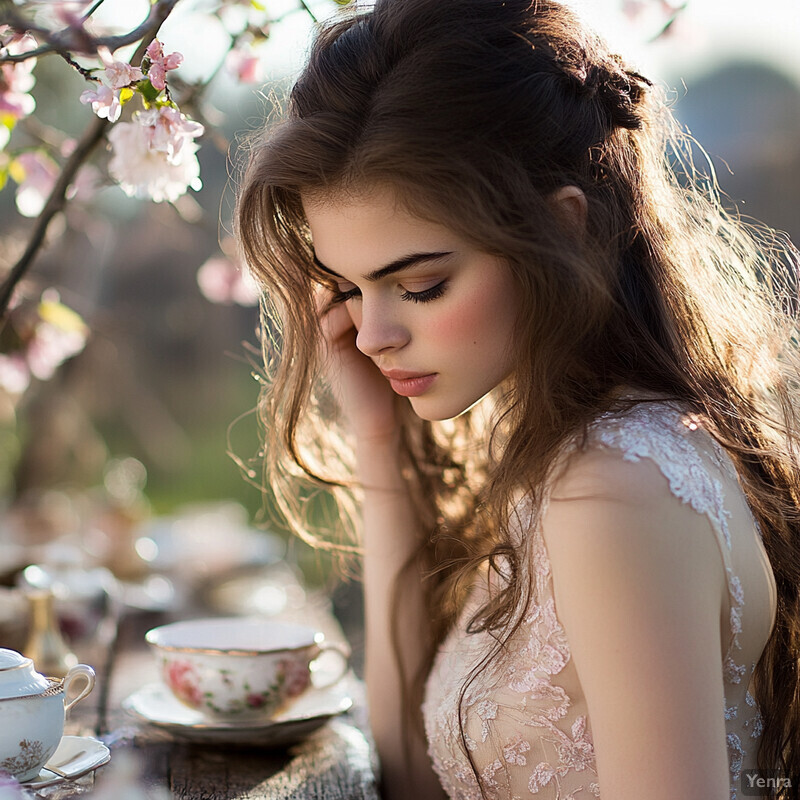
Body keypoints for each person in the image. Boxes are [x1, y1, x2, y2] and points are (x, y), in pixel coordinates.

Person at [234, 1, 800, 798]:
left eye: (421, 285)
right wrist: (378, 446)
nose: (371, 334)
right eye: (351, 288)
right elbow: (409, 777)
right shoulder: (578, 455)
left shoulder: (614, 490)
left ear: (564, 231)